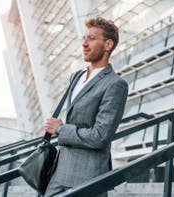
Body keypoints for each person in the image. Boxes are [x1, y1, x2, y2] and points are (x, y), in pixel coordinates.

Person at [43, 17, 128, 197]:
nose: (84, 44)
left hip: (88, 176)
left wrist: (60, 128)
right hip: (60, 171)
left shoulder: (115, 84)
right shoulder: (76, 76)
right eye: (84, 38)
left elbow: (100, 136)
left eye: (91, 38)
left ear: (108, 44)